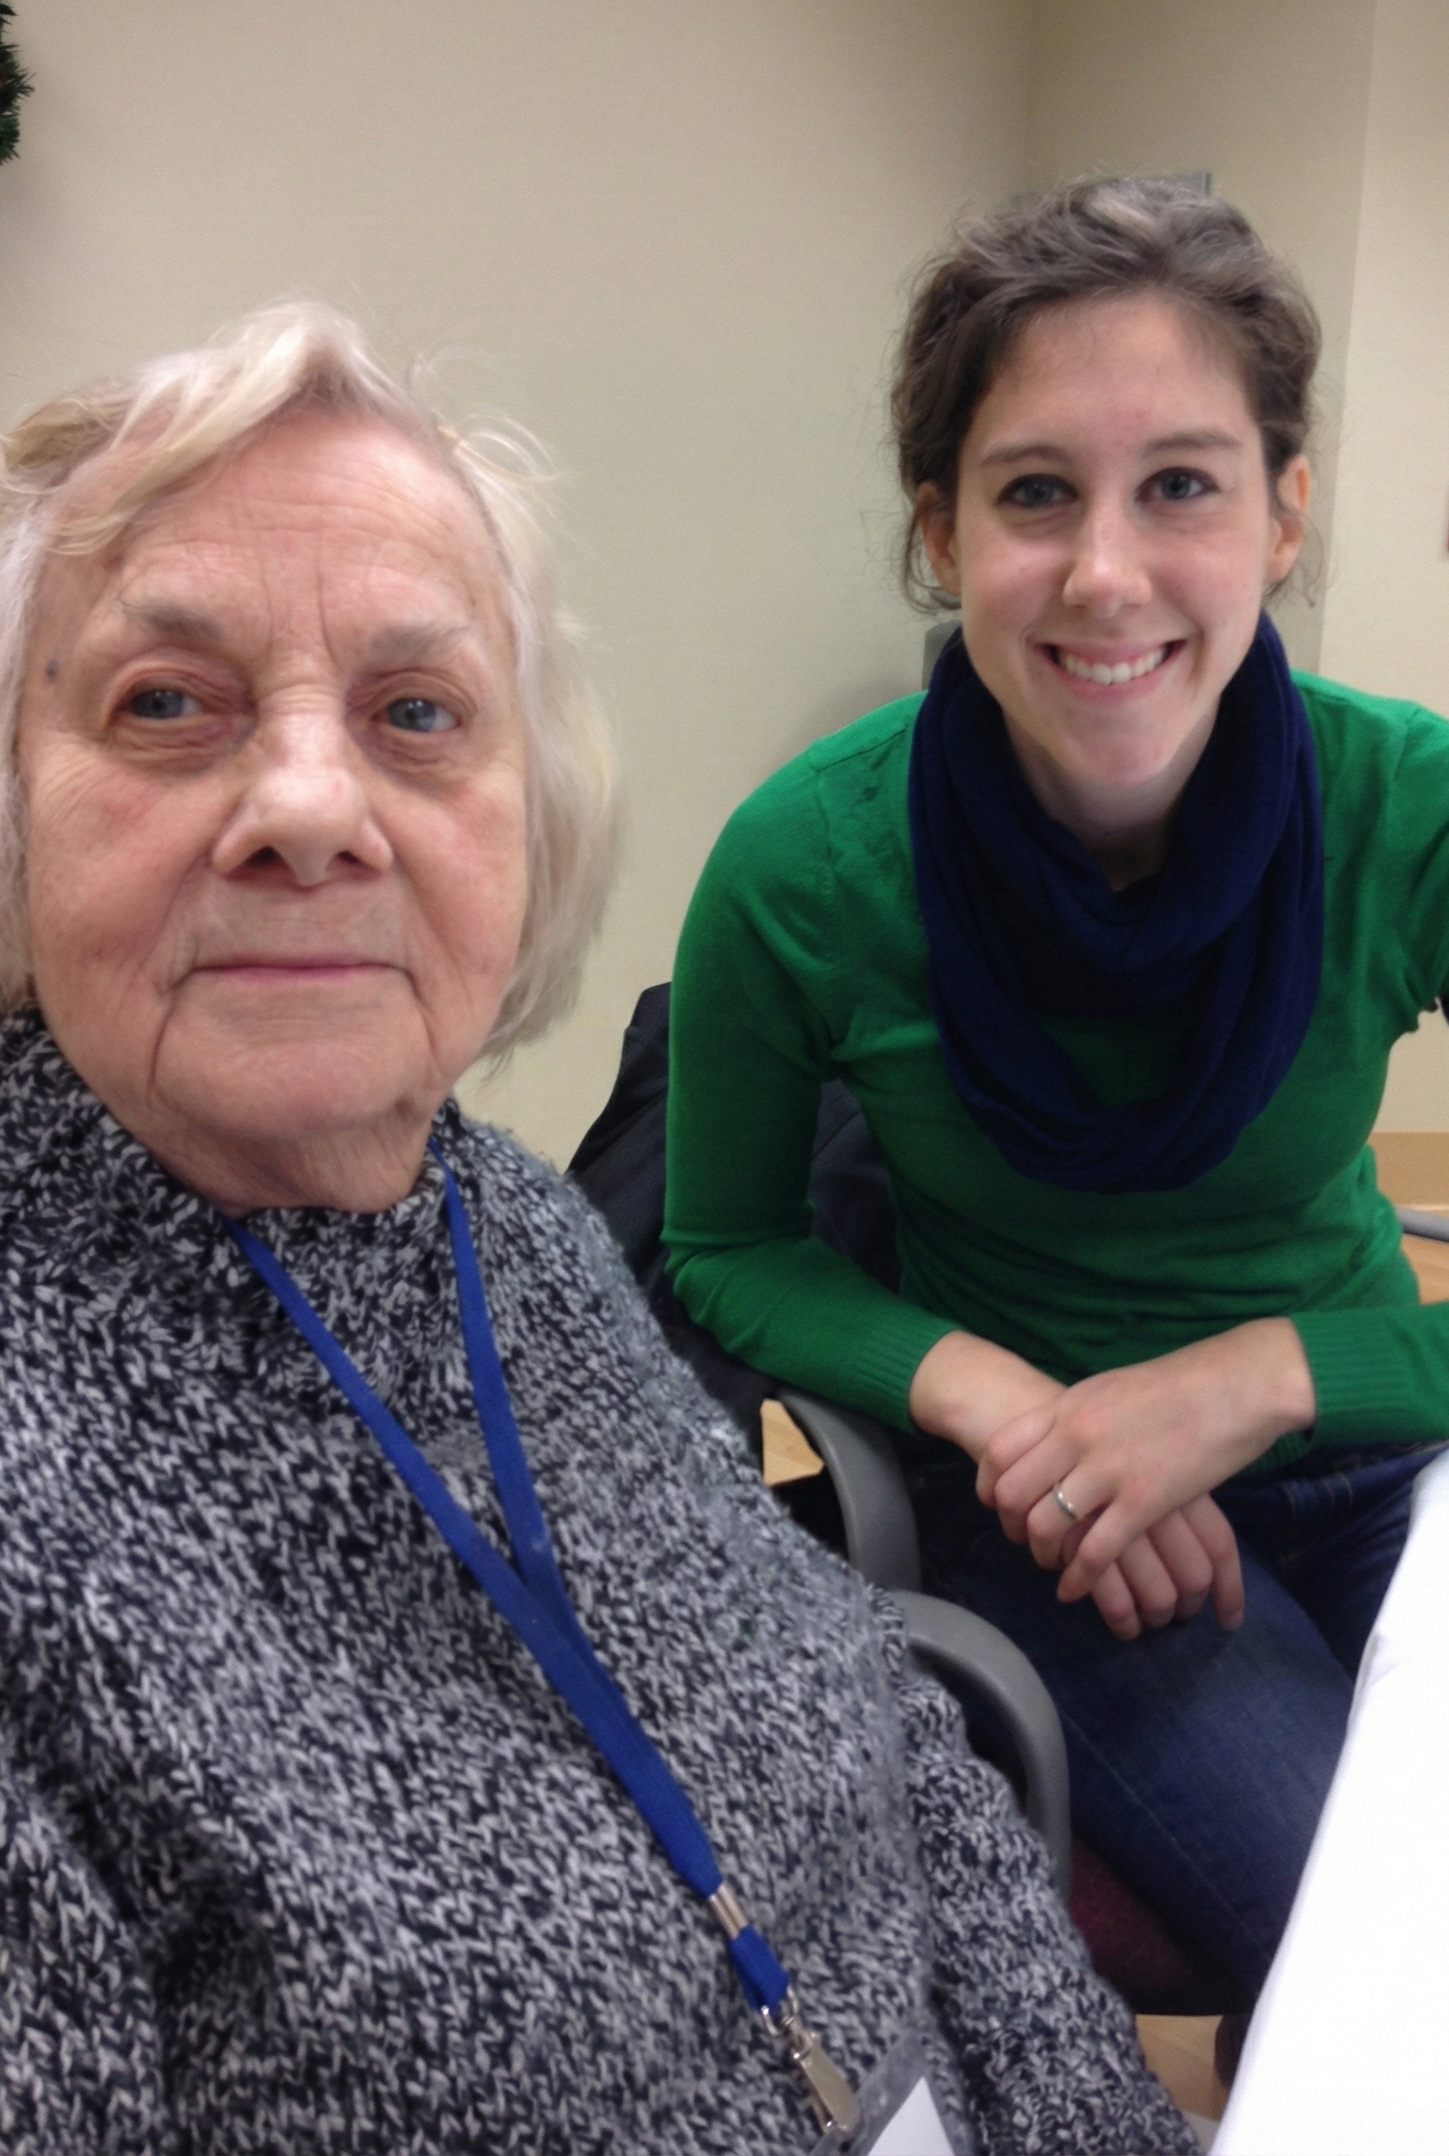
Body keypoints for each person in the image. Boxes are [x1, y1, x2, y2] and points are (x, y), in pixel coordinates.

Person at [0, 302, 1194, 2156]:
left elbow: (865, 1710)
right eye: (166, 701)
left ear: (528, 822)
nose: (312, 809)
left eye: (417, 713)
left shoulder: (503, 1231)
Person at [664, 176, 1449, 2001]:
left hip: (1373, 1440)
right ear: (940, 533)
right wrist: (1021, 1414)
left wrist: (1258, 1378)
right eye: (1034, 494)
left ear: (1284, 514)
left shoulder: (1406, 810)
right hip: (1061, 1523)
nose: (1108, 574)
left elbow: (1304, 1381)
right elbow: (726, 1246)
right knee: (1381, 1968)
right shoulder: (805, 865)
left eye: (1183, 483)